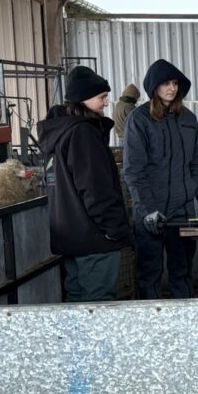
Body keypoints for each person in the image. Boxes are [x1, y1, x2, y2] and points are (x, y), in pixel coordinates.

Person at [38, 66, 132, 302]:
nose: (105, 103)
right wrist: (113, 229)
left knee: (76, 303)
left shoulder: (59, 133)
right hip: (95, 241)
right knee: (98, 306)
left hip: (70, 237)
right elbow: (95, 188)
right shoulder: (83, 134)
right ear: (83, 98)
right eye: (101, 97)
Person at [122, 59, 198, 299]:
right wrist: (148, 209)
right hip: (151, 212)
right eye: (165, 83)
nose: (171, 88)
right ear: (154, 87)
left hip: (182, 211)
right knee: (150, 272)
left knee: (182, 270)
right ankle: (151, 323)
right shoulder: (139, 119)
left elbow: (196, 162)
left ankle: (185, 320)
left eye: (175, 83)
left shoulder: (188, 119)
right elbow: (134, 170)